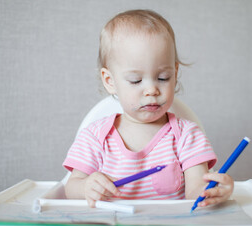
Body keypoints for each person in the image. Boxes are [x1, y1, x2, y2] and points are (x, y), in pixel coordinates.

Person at [63, 9, 234, 208]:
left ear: (175, 73)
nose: (152, 90)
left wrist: (213, 192)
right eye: (136, 80)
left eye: (163, 78)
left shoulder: (187, 135)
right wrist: (85, 187)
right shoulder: (94, 137)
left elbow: (195, 191)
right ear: (110, 81)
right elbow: (70, 187)